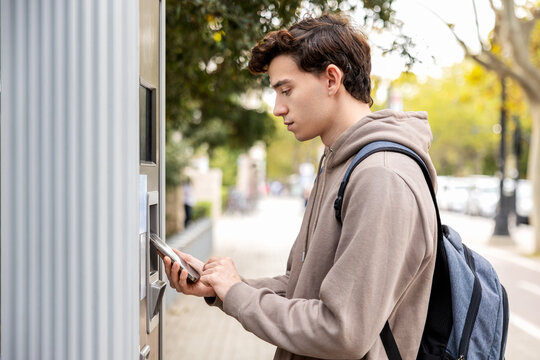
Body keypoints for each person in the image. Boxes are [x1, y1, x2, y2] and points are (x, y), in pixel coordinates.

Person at [162, 13, 438, 360]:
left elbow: (343, 332)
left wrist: (237, 293)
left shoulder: (380, 176)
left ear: (331, 79)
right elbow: (303, 286)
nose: (278, 109)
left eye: (286, 90)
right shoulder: (340, 162)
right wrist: (224, 287)